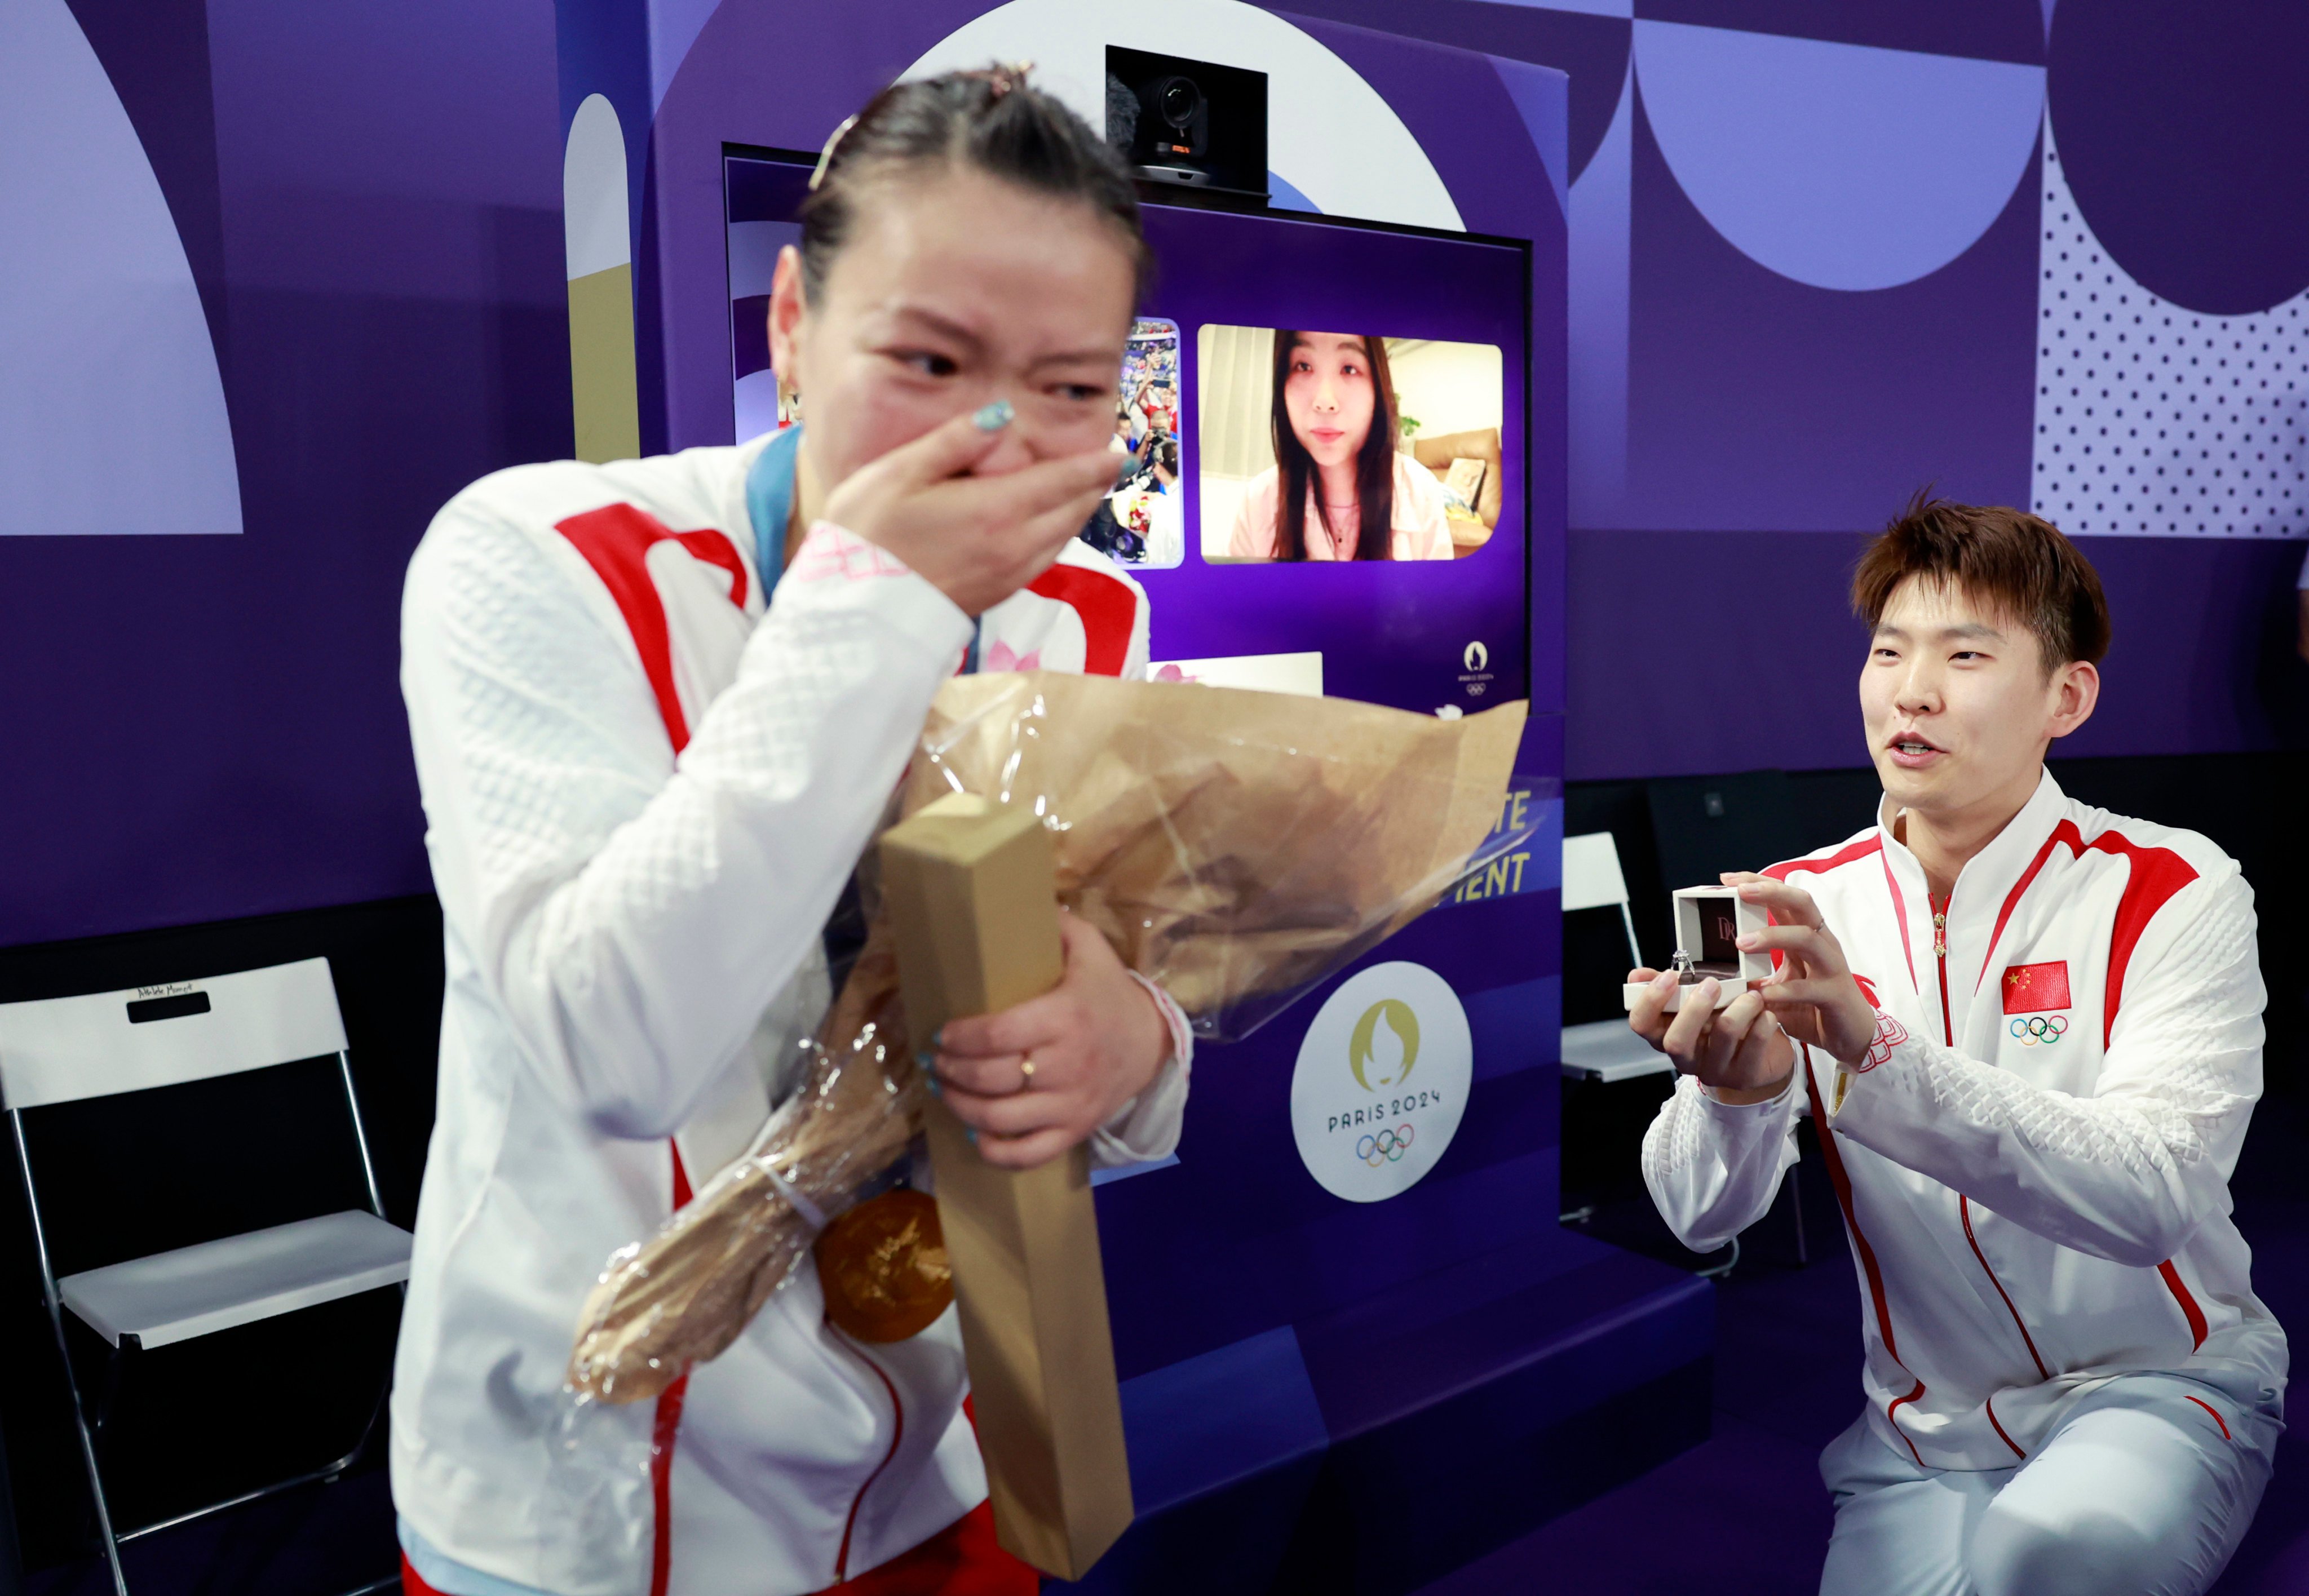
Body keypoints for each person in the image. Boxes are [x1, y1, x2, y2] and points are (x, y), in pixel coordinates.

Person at [391, 68, 1192, 1596]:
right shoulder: (541, 560)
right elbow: (612, 1041)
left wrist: (1138, 1044)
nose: (998, 438)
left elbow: (1110, 975)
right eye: (931, 357)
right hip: (592, 1505)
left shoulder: (1091, 614)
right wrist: (879, 600)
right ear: (789, 328)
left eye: (1074, 387)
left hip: (937, 1460)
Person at [1631, 498, 2283, 1596]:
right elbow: (1698, 1215)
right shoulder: (1799, 903)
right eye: (1887, 652)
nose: (1909, 690)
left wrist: (1871, 1051)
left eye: (1964, 653)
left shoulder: (2170, 889)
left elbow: (2152, 1198)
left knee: (2047, 1562)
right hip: (1919, 1435)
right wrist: (1733, 1099)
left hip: (2156, 1389)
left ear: (2063, 697)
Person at [1226, 330, 1450, 561]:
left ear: (1377, 384)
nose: (1325, 402)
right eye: (1303, 366)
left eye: (1349, 369)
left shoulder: (1420, 491)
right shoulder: (1259, 501)